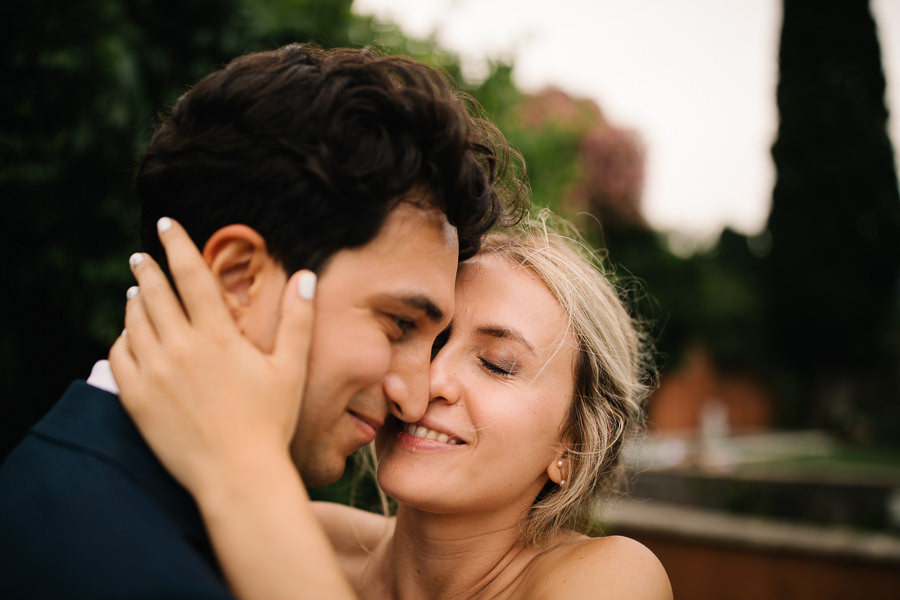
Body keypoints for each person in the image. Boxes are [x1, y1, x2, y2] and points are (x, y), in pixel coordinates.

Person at [0, 43, 522, 599]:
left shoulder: (69, 476)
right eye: (397, 324)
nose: (414, 399)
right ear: (239, 277)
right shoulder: (132, 571)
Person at [111, 213, 672, 599]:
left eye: (497, 363)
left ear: (572, 445)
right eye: (420, 337)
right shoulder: (303, 531)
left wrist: (241, 463)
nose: (428, 380)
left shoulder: (612, 578)